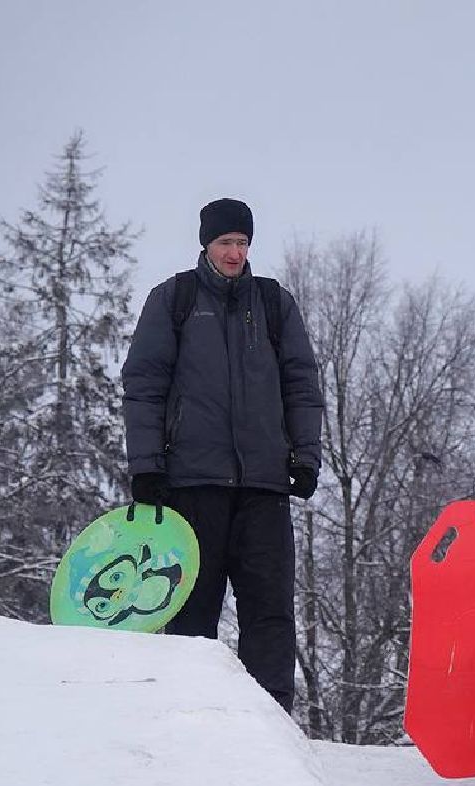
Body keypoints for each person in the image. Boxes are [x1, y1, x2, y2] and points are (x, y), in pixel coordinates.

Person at [121, 198, 324, 709]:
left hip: (264, 488)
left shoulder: (274, 304)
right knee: (191, 613)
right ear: (206, 244)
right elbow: (144, 387)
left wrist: (305, 455)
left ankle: (271, 723)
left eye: (242, 243)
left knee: (270, 613)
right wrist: (146, 466)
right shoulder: (175, 300)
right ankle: (190, 716)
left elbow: (302, 385)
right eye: (225, 242)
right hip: (193, 485)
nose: (235, 253)